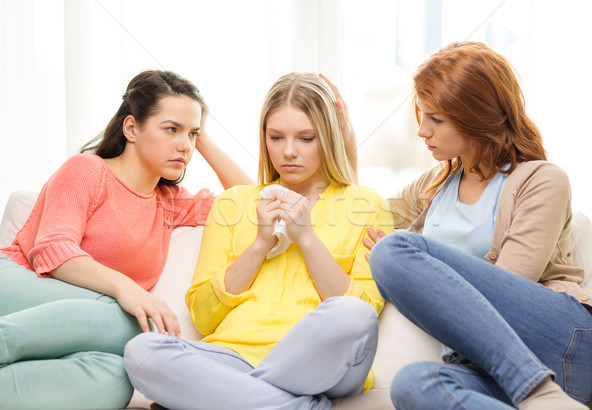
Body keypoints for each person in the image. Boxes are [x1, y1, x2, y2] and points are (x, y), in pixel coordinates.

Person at [123, 72, 394, 409]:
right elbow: (203, 316)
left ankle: (228, 398)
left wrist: (306, 238)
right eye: (276, 137)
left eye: (306, 138)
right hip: (233, 356)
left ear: (328, 136)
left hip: (322, 361)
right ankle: (294, 403)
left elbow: (365, 311)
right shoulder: (233, 203)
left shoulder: (366, 205)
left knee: (354, 314)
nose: (289, 152)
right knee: (142, 353)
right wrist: (258, 245)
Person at [361, 42, 592, 409]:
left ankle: (541, 393)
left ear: (477, 116)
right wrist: (340, 140)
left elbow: (510, 286)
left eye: (436, 119)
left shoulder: (542, 180)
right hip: (485, 368)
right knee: (412, 385)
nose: (423, 131)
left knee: (392, 251)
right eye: (421, 115)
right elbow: (359, 211)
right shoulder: (434, 186)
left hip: (561, 343)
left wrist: (406, 261)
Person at [0, 70, 252, 409]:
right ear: (132, 128)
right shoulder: (87, 170)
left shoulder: (170, 203)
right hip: (17, 285)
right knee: (140, 326)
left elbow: (251, 203)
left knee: (116, 377)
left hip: (81, 324)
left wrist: (202, 135)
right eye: (172, 129)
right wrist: (127, 289)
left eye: (191, 134)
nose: (185, 145)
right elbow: (52, 250)